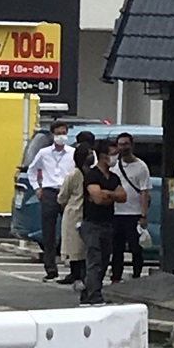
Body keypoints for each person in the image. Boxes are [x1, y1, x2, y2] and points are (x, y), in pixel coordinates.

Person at [80, 139, 126, 306]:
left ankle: (87, 291)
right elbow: (98, 198)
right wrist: (110, 195)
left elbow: (123, 196)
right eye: (113, 154)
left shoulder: (113, 177)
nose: (115, 157)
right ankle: (95, 295)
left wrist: (108, 194)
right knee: (95, 260)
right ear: (103, 155)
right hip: (92, 223)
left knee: (105, 259)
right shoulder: (92, 175)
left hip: (108, 222)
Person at [27, 121, 75, 281]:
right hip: (49, 192)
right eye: (58, 133)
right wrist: (37, 188)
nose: (61, 136)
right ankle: (51, 269)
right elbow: (32, 170)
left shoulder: (72, 153)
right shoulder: (44, 153)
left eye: (64, 133)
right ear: (53, 135)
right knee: (48, 232)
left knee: (71, 230)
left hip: (67, 192)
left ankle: (74, 268)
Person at [111, 132, 151, 283]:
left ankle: (137, 276)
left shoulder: (141, 167)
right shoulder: (114, 165)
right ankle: (116, 276)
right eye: (120, 144)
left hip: (134, 213)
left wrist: (143, 215)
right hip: (116, 213)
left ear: (132, 145)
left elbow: (144, 192)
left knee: (136, 247)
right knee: (117, 248)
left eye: (126, 144)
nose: (123, 147)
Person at [56, 143, 92, 286]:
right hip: (74, 213)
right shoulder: (73, 175)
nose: (92, 156)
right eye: (89, 154)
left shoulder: (91, 173)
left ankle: (82, 273)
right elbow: (62, 196)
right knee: (74, 245)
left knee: (83, 246)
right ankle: (75, 273)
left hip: (87, 214)